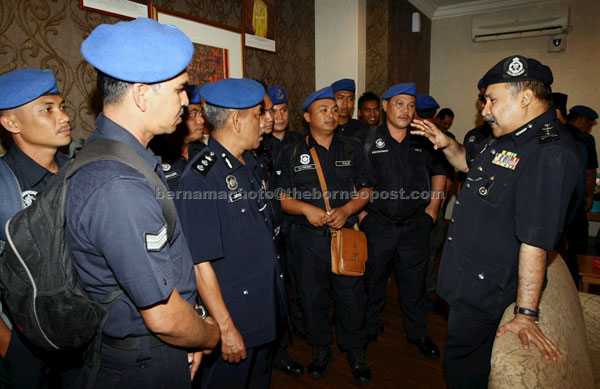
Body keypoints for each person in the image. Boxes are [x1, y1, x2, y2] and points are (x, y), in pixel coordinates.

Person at [66, 18, 221, 387]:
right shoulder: (119, 183)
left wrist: (190, 329)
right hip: (142, 360)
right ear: (141, 94)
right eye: (180, 90)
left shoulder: (120, 155)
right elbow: (163, 317)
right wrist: (209, 334)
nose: (186, 101)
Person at [411, 54, 581, 388]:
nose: (485, 109)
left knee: (465, 372)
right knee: (462, 365)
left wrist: (526, 314)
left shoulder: (549, 152)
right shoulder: (504, 138)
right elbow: (467, 165)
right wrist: (446, 144)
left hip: (487, 292)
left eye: (492, 100)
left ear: (526, 97)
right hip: (468, 281)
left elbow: (535, 240)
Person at [175, 78, 286, 388]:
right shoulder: (200, 180)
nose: (267, 121)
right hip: (236, 320)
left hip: (263, 309)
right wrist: (225, 329)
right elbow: (200, 264)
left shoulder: (250, 163)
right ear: (237, 120)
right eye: (258, 114)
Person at [275, 87, 374, 385]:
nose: (332, 114)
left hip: (345, 236)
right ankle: (320, 351)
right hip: (306, 241)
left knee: (352, 297)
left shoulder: (353, 147)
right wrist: (306, 209)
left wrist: (347, 210)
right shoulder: (291, 151)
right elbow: (281, 196)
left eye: (334, 109)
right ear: (307, 117)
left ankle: (356, 352)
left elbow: (366, 189)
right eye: (324, 110)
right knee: (311, 296)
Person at [356, 84, 445, 359]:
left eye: (410, 105)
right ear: (385, 106)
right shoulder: (367, 140)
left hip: (415, 225)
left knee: (414, 283)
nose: (405, 110)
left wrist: (433, 207)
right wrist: (361, 214)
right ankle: (369, 327)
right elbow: (353, 180)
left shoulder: (423, 139)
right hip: (378, 225)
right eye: (399, 104)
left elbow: (440, 171)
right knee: (373, 280)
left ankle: (418, 333)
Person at [0, 68, 71, 387]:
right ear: (11, 123)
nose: (64, 116)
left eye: (62, 106)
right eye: (47, 109)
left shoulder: (80, 174)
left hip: (84, 342)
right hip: (25, 348)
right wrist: (8, 347)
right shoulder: (4, 187)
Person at [149, 84, 207, 189]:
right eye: (193, 114)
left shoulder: (204, 152)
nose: (201, 120)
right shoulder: (156, 156)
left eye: (201, 113)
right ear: (179, 116)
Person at [567, 105, 598, 210]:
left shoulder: (556, 133)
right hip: (575, 195)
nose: (589, 128)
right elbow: (590, 172)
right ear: (583, 120)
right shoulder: (585, 139)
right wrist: (589, 197)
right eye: (590, 124)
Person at [263, 86, 302, 163]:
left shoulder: (299, 140)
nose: (280, 117)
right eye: (273, 111)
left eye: (284, 110)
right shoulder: (260, 144)